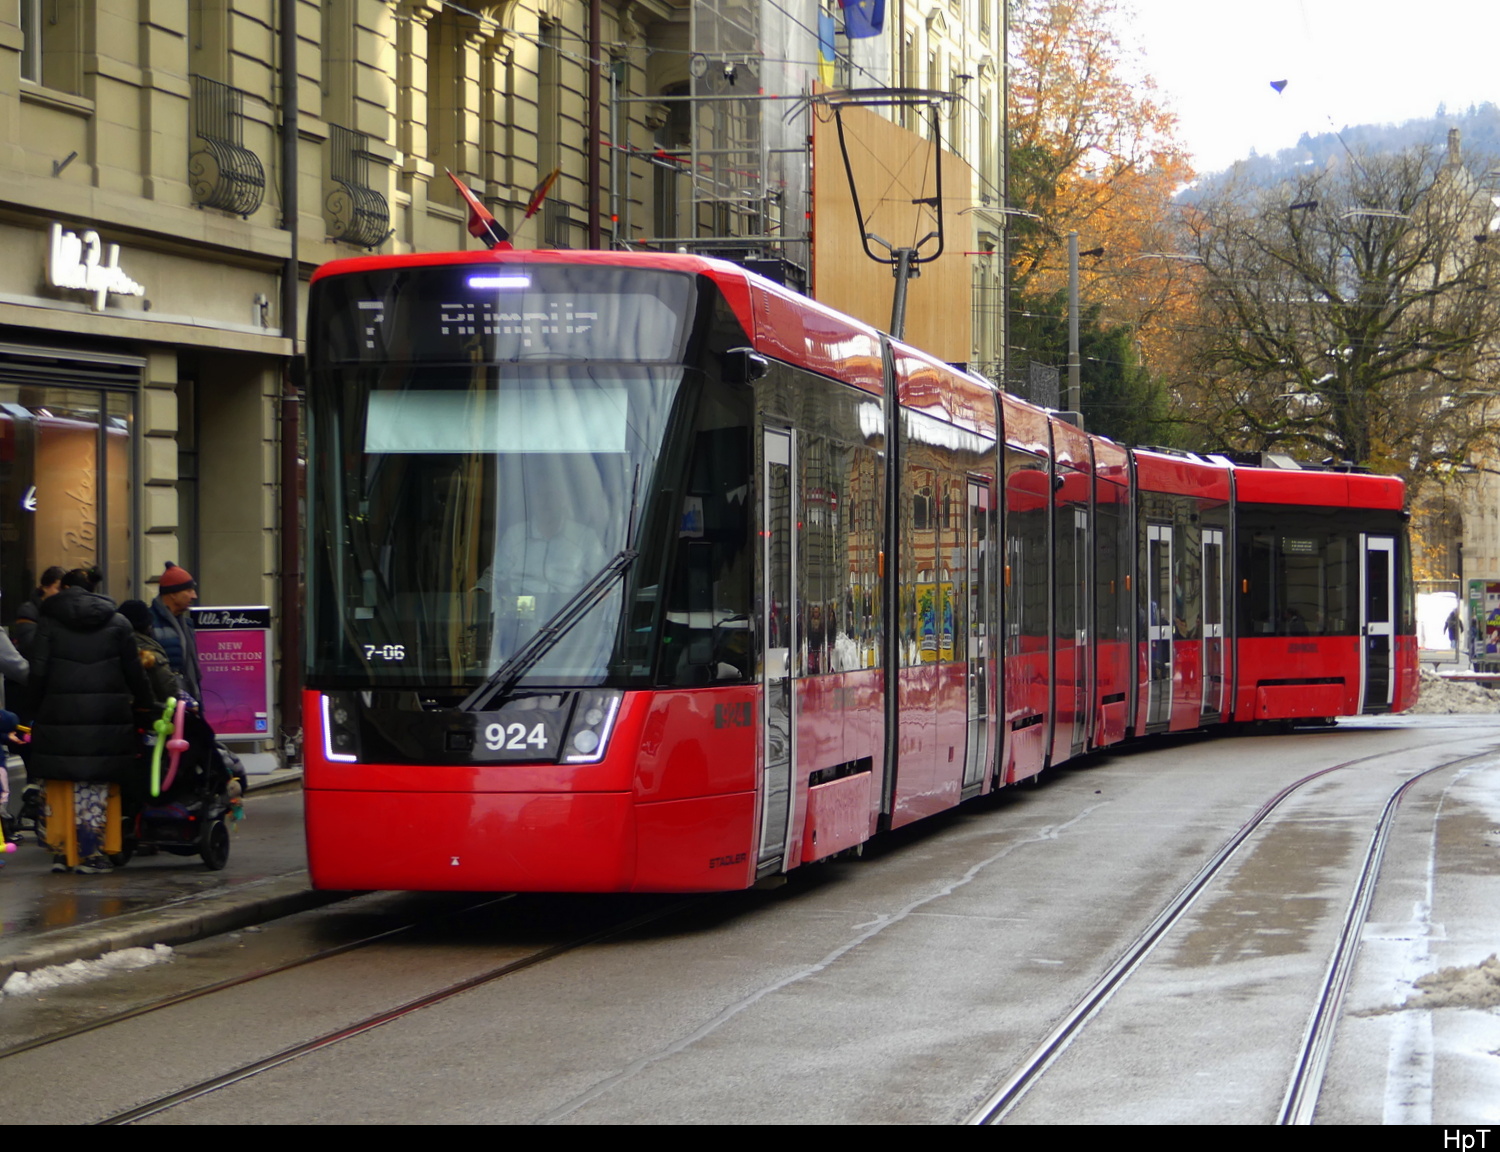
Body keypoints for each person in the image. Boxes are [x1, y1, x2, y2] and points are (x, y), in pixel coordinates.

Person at [28, 569, 153, 873]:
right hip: (106, 718)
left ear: (66, 588)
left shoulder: (48, 622)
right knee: (95, 786)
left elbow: (39, 672)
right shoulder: (119, 622)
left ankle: (63, 851)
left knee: (61, 784)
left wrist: (35, 710)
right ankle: (90, 852)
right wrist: (146, 705)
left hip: (59, 717)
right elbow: (134, 671)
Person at [150, 562, 201, 703]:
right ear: (173, 594)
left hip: (186, 703)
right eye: (189, 590)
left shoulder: (188, 625)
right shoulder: (149, 623)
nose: (194, 596)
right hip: (164, 708)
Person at [120, 599, 185, 708]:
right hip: (147, 716)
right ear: (146, 625)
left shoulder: (110, 646)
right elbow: (168, 690)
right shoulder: (150, 652)